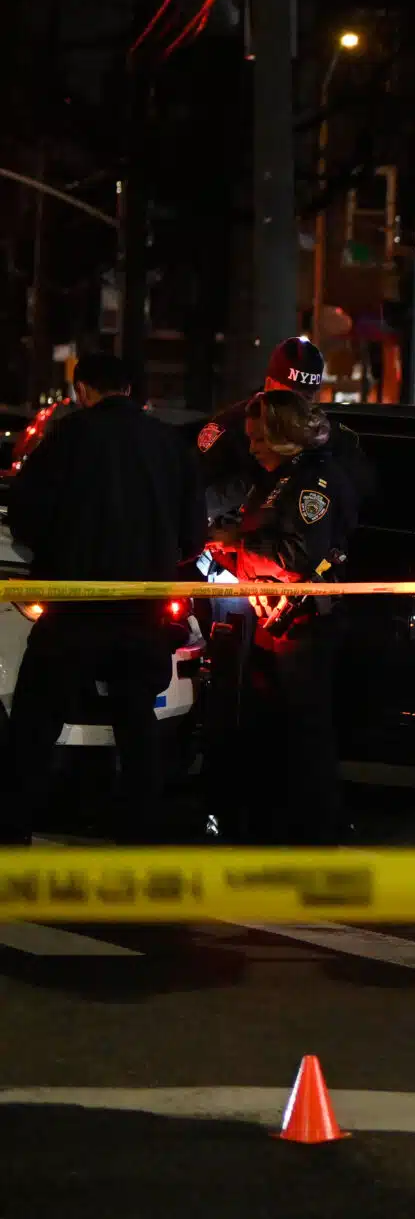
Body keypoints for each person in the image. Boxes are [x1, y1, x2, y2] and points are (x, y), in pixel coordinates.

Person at [0, 353, 203, 843]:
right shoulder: (170, 445)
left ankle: (11, 828)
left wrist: (53, 552)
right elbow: (193, 538)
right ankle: (140, 835)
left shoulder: (68, 438)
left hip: (72, 606)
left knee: (35, 722)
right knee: (138, 727)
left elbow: (25, 515)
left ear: (83, 390)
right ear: (131, 389)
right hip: (141, 609)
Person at [203, 391, 361, 843]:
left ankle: (318, 834)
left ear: (284, 437)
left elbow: (295, 556)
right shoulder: (279, 478)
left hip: (306, 625)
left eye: (258, 439)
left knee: (307, 735)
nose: (251, 448)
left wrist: (235, 543)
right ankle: (279, 826)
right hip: (277, 626)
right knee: (277, 731)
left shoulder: (313, 484)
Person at [197, 335, 330, 526]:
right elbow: (194, 494)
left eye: (306, 398)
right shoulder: (231, 428)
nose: (296, 407)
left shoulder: (318, 432)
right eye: (287, 397)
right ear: (268, 384)